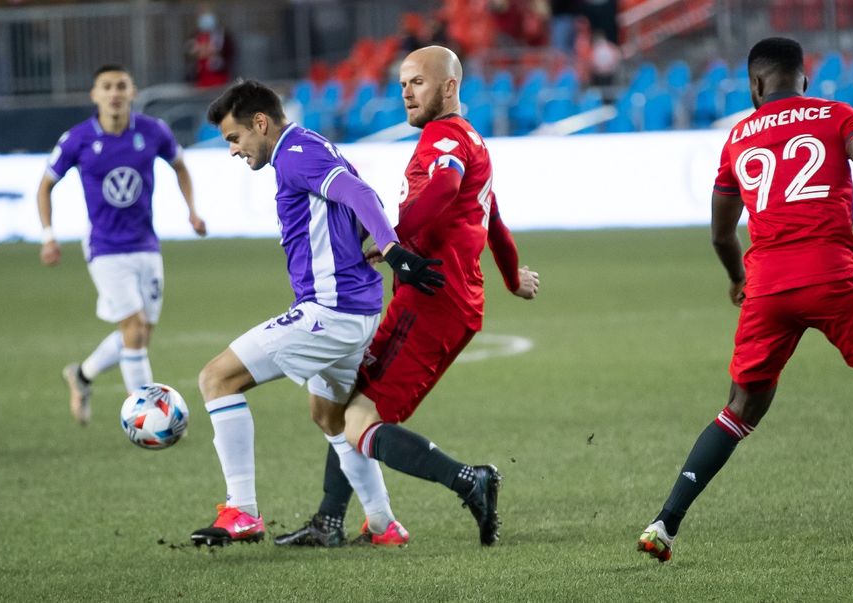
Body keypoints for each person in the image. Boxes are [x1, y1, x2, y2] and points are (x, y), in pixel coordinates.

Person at [637, 37, 853, 563]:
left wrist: (737, 279)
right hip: (832, 275)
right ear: (805, 78)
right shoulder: (839, 115)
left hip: (768, 286)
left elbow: (722, 233)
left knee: (740, 409)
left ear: (755, 85)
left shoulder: (736, 138)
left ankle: (664, 523)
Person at [275, 45, 540, 548]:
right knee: (347, 403)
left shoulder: (445, 139)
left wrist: (390, 238)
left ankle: (469, 480)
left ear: (449, 87)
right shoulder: (472, 141)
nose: (405, 92)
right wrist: (511, 278)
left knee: (357, 420)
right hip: (442, 300)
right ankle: (330, 521)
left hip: (432, 301)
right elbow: (496, 223)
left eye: (417, 82)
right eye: (401, 84)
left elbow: (442, 191)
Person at [190, 79, 446, 547]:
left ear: (261, 123)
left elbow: (362, 197)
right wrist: (372, 246)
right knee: (330, 418)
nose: (233, 149)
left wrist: (391, 249)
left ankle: (242, 510)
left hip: (329, 313)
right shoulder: (310, 145)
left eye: (234, 137)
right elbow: (361, 197)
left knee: (217, 379)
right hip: (357, 310)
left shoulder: (294, 154)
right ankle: (383, 523)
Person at [38, 64, 206, 426]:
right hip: (105, 247)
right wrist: (48, 235)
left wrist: (192, 211)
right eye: (106, 87)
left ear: (132, 92)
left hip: (146, 244)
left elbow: (180, 166)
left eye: (121, 86)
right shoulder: (78, 139)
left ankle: (81, 376)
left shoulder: (153, 131)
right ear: (94, 95)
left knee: (141, 333)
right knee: (133, 329)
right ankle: (144, 415)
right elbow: (45, 185)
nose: (114, 93)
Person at [187, 6, 234, 88]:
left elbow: (229, 52)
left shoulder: (222, 35)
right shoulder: (196, 36)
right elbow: (190, 52)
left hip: (219, 79)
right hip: (202, 80)